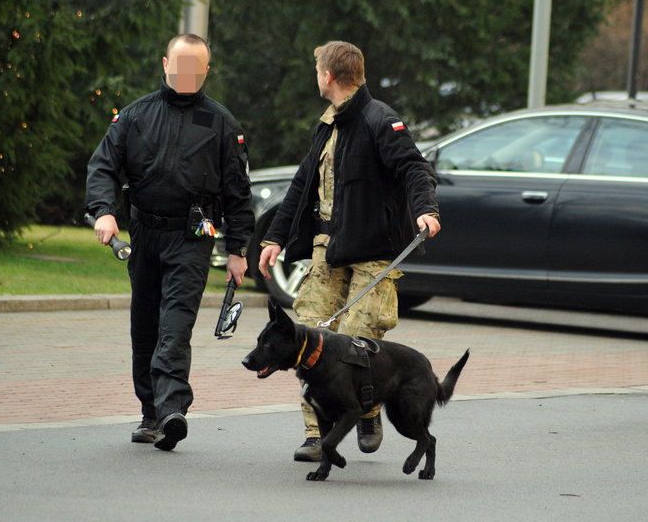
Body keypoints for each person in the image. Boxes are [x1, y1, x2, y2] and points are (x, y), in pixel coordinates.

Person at [258, 41, 440, 462]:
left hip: (374, 253)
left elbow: (415, 168)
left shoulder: (380, 119)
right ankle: (315, 435)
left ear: (327, 76)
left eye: (316, 69)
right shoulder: (327, 125)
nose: (315, 76)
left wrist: (426, 210)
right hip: (328, 249)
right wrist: (274, 239)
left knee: (358, 343)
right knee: (306, 337)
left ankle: (369, 411)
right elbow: (302, 186)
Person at [86, 34, 254, 451]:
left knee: (175, 323)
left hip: (193, 237)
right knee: (145, 326)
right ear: (165, 64)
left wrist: (238, 250)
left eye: (196, 68)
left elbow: (237, 192)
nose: (186, 74)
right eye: (180, 65)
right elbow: (103, 166)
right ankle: (151, 413)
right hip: (144, 235)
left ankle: (173, 409)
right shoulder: (134, 116)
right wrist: (104, 210)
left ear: (206, 71)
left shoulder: (221, 123)